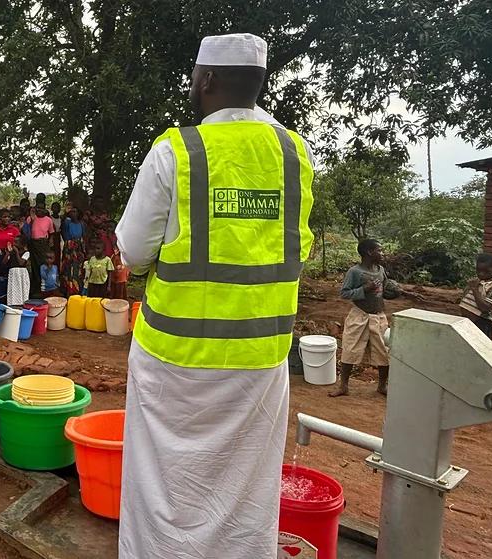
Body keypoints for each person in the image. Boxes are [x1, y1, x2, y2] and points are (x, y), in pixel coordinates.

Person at [115, 34, 316, 558]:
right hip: (261, 357)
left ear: (206, 79)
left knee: (163, 483)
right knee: (246, 489)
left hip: (175, 360)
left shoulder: (176, 149)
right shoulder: (295, 152)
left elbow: (132, 250)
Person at [331, 239, 400, 397]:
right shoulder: (354, 272)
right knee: (349, 349)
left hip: (378, 316)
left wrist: (393, 292)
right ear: (369, 252)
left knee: (383, 352)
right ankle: (343, 386)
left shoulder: (380, 269)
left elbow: (384, 288)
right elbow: (345, 293)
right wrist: (364, 289)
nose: (382, 254)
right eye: (379, 250)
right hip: (359, 315)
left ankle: (382, 386)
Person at [459, 253, 492, 338]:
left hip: (482, 324)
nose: (481, 274)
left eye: (486, 271)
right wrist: (469, 287)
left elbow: (485, 308)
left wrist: (474, 289)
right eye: (478, 271)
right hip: (467, 322)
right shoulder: (477, 281)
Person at [28, 207, 56, 296]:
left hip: (43, 243)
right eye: (38, 209)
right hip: (33, 243)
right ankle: (36, 288)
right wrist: (32, 219)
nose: (39, 211)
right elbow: (26, 230)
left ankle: (45, 288)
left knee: (43, 264)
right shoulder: (31, 218)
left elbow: (51, 232)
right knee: (34, 265)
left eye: (41, 209)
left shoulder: (48, 220)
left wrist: (50, 242)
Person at [60, 207, 87, 295]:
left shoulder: (82, 224)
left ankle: (77, 290)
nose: (73, 213)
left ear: (79, 213)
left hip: (78, 249)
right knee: (67, 269)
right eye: (71, 212)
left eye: (75, 211)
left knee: (77, 269)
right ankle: (67, 290)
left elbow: (84, 236)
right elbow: (64, 235)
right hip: (69, 248)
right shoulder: (67, 223)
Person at [6, 236, 31, 307]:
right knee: (13, 291)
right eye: (14, 242)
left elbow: (21, 263)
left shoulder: (26, 253)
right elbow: (4, 262)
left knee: (22, 291)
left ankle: (22, 306)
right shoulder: (12, 253)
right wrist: (8, 253)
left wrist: (16, 252)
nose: (14, 244)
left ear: (22, 244)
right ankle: (13, 306)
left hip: (21, 274)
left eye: (16, 242)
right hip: (13, 275)